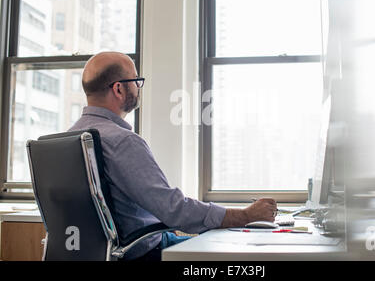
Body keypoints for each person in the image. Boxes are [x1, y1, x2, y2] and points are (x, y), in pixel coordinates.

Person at [69, 51, 277, 261]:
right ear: (119, 88)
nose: (139, 88)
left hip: (100, 253)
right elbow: (174, 210)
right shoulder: (122, 141)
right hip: (143, 253)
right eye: (137, 81)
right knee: (230, 251)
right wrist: (245, 216)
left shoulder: (67, 139)